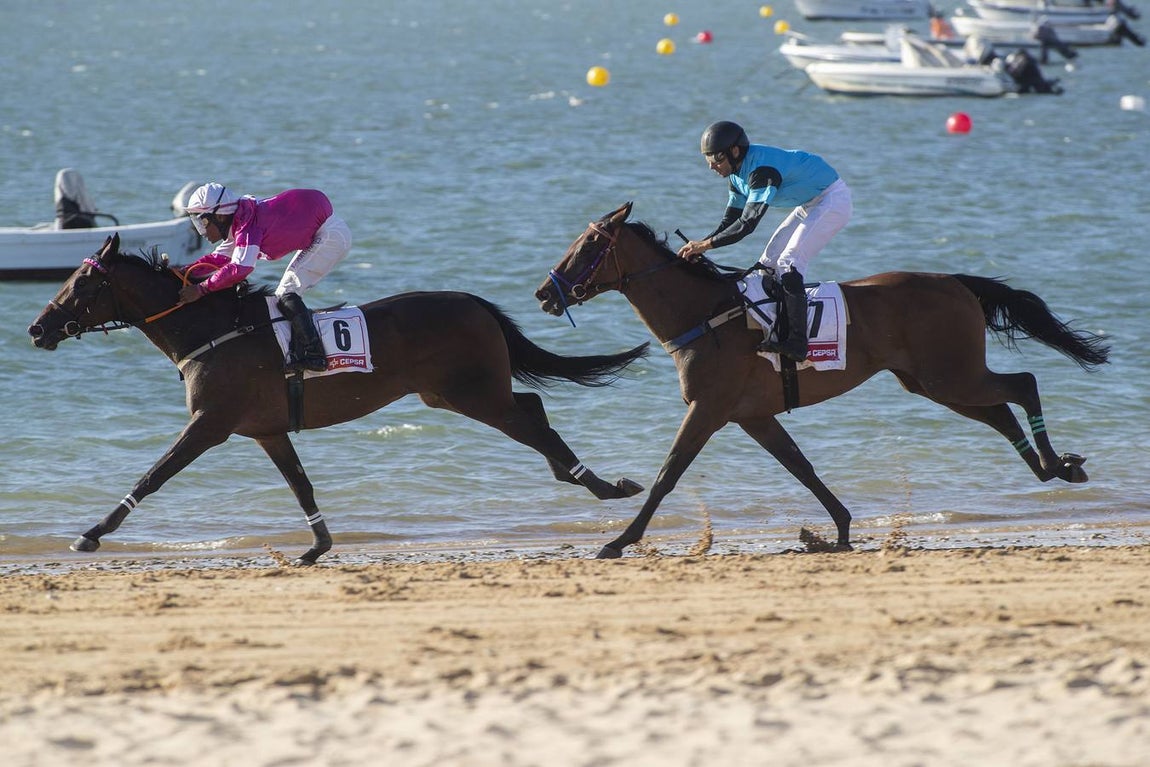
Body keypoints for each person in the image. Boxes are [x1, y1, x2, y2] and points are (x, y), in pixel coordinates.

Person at [677, 121, 852, 362]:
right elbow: (731, 220)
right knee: (767, 264)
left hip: (832, 200)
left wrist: (705, 245)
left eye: (716, 158)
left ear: (734, 151)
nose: (711, 166)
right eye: (707, 158)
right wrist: (701, 244)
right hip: (809, 203)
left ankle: (798, 344)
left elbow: (747, 224)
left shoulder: (761, 172)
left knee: (790, 262)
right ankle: (778, 328)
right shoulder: (736, 175)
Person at [179, 183, 352, 373]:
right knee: (283, 295)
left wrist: (201, 289)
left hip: (330, 236)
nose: (201, 231)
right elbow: (219, 258)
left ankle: (316, 356)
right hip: (322, 228)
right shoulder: (241, 219)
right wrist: (181, 271)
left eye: (202, 222)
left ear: (219, 216)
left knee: (286, 294)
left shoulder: (248, 225)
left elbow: (241, 267)